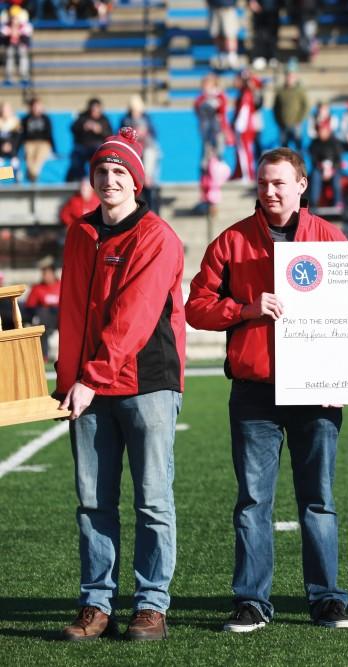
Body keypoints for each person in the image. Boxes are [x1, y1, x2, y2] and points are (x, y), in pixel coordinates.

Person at [185, 147, 348, 633]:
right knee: (253, 501)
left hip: (316, 391)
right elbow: (196, 306)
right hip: (254, 392)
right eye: (262, 183)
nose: (269, 191)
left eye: (279, 183)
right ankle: (252, 602)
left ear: (302, 185)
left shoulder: (329, 238)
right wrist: (244, 308)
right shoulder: (232, 241)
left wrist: (344, 375)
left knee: (317, 499)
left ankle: (326, 600)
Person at [56, 127, 186, 642]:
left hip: (146, 383)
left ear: (137, 181)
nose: (109, 180)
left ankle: (151, 604)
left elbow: (132, 320)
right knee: (93, 500)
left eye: (119, 173)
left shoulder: (157, 236)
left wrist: (89, 378)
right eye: (102, 172)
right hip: (88, 386)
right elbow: (70, 310)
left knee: (152, 499)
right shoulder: (80, 233)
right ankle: (97, 603)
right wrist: (69, 380)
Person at [66, 98, 111, 182]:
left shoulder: (104, 119)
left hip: (98, 147)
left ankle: (99, 179)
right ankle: (80, 181)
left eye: (97, 109)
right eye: (93, 109)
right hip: (82, 146)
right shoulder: (83, 117)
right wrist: (84, 126)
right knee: (76, 159)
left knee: (101, 157)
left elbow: (110, 135)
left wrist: (100, 130)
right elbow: (73, 128)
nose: (95, 111)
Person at [23, 259, 59, 361]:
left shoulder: (61, 285)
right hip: (45, 320)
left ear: (53, 273)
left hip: (61, 317)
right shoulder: (38, 288)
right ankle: (44, 356)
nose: (45, 276)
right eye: (44, 274)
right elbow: (29, 307)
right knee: (42, 324)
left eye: (48, 273)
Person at [273, 66, 309, 151]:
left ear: (295, 77)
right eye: (288, 76)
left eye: (291, 76)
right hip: (283, 125)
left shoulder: (300, 91)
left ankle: (299, 164)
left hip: (296, 125)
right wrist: (279, 121)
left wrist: (299, 120)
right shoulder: (281, 91)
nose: (289, 78)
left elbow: (306, 106)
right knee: (283, 150)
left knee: (298, 149)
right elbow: (276, 107)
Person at [19, 96, 54, 183]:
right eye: (34, 106)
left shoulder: (46, 119)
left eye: (38, 106)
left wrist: (54, 149)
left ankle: (32, 173)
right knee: (29, 155)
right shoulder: (25, 119)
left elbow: (49, 135)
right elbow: (22, 135)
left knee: (40, 155)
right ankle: (33, 174)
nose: (36, 108)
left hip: (43, 143)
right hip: (29, 143)